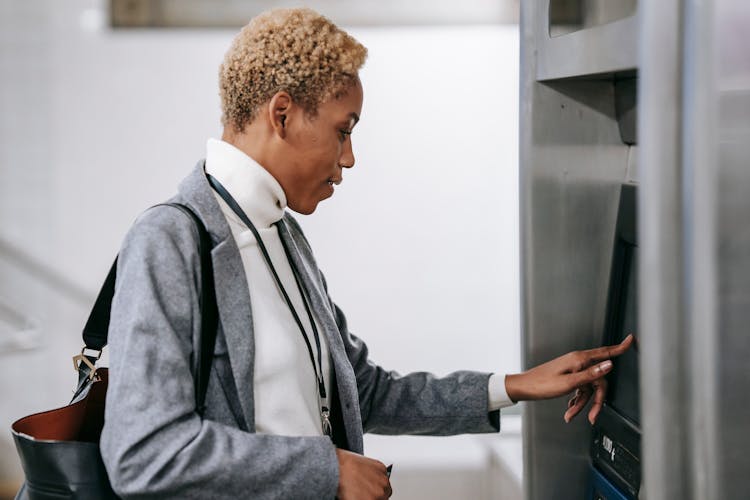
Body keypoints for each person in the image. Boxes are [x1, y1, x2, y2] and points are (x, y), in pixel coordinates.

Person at [100, 7, 633, 499]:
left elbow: (364, 390)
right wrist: (327, 470)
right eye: (342, 131)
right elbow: (143, 453)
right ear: (281, 115)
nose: (349, 158)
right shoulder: (169, 241)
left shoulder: (280, 234)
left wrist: (513, 387)